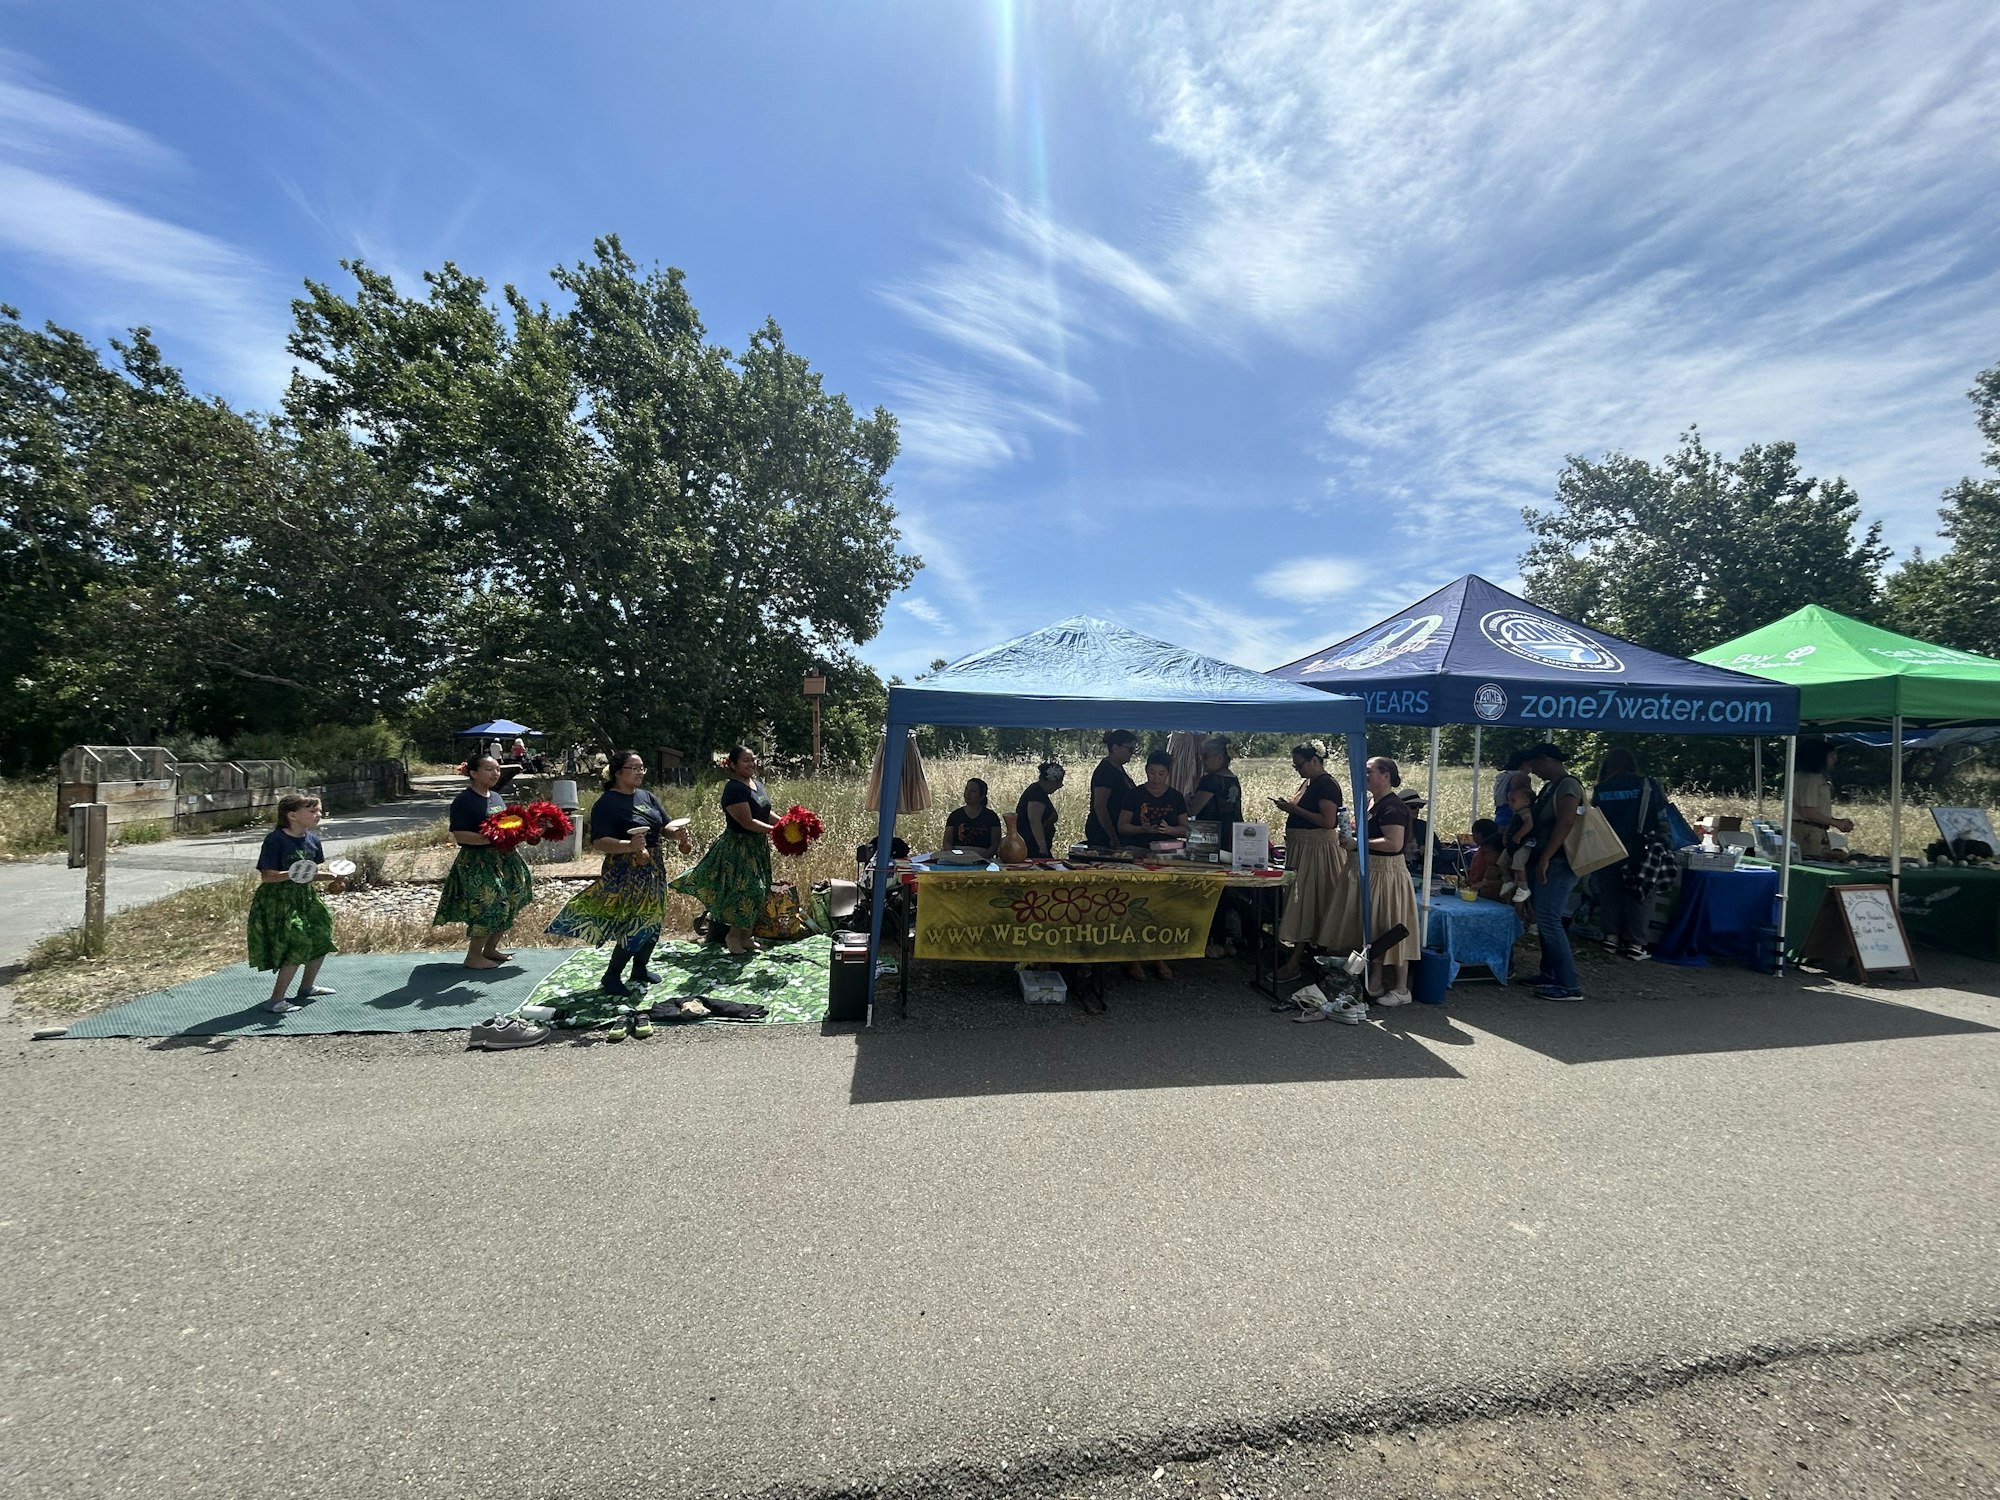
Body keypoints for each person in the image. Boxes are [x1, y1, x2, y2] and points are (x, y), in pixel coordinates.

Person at [548, 750, 693, 1004]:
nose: (640, 772)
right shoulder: (607, 803)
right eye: (634, 768)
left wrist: (677, 833)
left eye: (642, 768)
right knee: (635, 921)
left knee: (655, 917)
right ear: (618, 772)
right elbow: (599, 842)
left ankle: (640, 968)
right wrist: (629, 845)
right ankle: (612, 975)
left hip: (654, 865)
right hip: (625, 868)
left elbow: (664, 826)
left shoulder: (647, 796)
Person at [670, 744, 778, 957]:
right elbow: (747, 821)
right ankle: (732, 935)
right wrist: (777, 832)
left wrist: (787, 824)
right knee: (748, 891)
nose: (751, 763)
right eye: (746, 760)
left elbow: (765, 812)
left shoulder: (756, 784)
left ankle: (747, 937)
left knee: (761, 891)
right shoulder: (734, 788)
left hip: (757, 847)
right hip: (738, 848)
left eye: (753, 759)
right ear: (733, 764)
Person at [432, 755, 536, 969]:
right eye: (489, 769)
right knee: (490, 905)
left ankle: (490, 949)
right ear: (473, 773)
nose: (495, 773)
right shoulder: (464, 800)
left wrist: (528, 832)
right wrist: (490, 838)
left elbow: (507, 828)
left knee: (513, 898)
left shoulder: (496, 797)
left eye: (497, 769)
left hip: (504, 858)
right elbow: (460, 835)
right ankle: (473, 957)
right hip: (477, 861)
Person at [1274, 742, 1360, 992]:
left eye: (1299, 764)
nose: (1297, 769)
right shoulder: (1310, 783)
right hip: (1302, 849)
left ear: (1314, 760)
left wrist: (1294, 809)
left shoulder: (1326, 784)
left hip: (1316, 851)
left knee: (1307, 903)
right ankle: (1302, 954)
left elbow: (1328, 821)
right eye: (1294, 765)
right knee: (1302, 901)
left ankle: (1296, 962)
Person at [247, 793, 338, 1014]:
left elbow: (310, 874)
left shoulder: (313, 840)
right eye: (312, 811)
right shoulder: (275, 839)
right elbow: (268, 876)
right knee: (297, 942)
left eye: (319, 811)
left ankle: (307, 987)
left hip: (305, 896)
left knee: (321, 934)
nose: (318, 815)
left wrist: (333, 879)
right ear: (292, 815)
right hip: (278, 899)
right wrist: (294, 872)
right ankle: (276, 1000)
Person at [1347, 756, 1422, 1005]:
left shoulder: (1393, 807)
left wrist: (1358, 843)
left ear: (1386, 775)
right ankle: (1375, 981)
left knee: (1392, 928)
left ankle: (1402, 989)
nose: (1364, 776)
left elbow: (1394, 843)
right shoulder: (1372, 802)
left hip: (1389, 873)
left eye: (1369, 772)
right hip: (1375, 871)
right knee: (1376, 928)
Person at [1590, 748, 1668, 960]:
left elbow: (1593, 818)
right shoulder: (1646, 784)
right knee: (1640, 892)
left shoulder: (1601, 789)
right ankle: (1636, 943)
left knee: (1610, 893)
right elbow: (1663, 815)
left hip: (1608, 847)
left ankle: (1611, 938)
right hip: (1640, 846)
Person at [1523, 742, 1586, 1001]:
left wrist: (1546, 856)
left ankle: (1569, 984)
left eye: (1535, 765)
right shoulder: (1550, 787)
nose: (1534, 772)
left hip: (1560, 861)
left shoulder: (1568, 786)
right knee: (1545, 916)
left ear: (1546, 759)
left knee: (1549, 919)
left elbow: (1567, 821)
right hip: (1546, 858)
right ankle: (1549, 973)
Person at [1791, 738, 1854, 860]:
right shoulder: (1810, 780)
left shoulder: (1801, 776)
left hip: (1812, 830)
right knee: (1814, 863)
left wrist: (1835, 821)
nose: (1835, 759)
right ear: (1818, 757)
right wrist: (1837, 823)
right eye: (1831, 755)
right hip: (1809, 833)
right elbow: (1809, 812)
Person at [1120, 751, 1190, 845]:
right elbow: (1122, 826)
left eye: (1161, 774)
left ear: (1168, 772)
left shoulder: (1176, 797)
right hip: (1138, 847)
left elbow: (1186, 830)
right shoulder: (1134, 794)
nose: (1156, 778)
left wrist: (1169, 830)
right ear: (1146, 770)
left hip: (1168, 848)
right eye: (1152, 773)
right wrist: (1141, 829)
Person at [1085, 730, 1139, 849]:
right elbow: (1100, 806)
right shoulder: (1106, 771)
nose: (1132, 753)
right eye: (1130, 749)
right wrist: (1112, 837)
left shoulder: (1117, 768)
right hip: (1103, 834)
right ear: (1115, 748)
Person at [1494, 749, 1536, 902]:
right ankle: (1520, 889)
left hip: (1500, 818)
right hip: (1512, 820)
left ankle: (1507, 885)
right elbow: (1526, 798)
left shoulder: (1502, 776)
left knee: (1504, 857)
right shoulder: (1520, 777)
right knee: (1517, 861)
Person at [1186, 737, 1244, 846]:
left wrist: (1185, 801)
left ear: (1220, 758)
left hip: (1212, 835)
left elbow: (1192, 811)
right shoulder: (1233, 779)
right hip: (1234, 833)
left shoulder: (1211, 780)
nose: (1202, 761)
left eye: (1205, 757)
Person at [1014, 762, 1065, 859]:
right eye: (1059, 783)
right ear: (1053, 781)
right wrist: (1042, 848)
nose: (1060, 786)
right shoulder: (1036, 795)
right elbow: (1035, 821)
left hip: (1033, 846)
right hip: (1033, 848)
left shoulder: (1038, 792)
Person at [944, 778, 1002, 856]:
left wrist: (982, 859)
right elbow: (947, 841)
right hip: (957, 858)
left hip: (983, 859)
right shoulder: (955, 815)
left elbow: (995, 843)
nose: (968, 793)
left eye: (973, 791)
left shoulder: (991, 817)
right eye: (966, 789)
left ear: (982, 796)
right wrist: (955, 857)